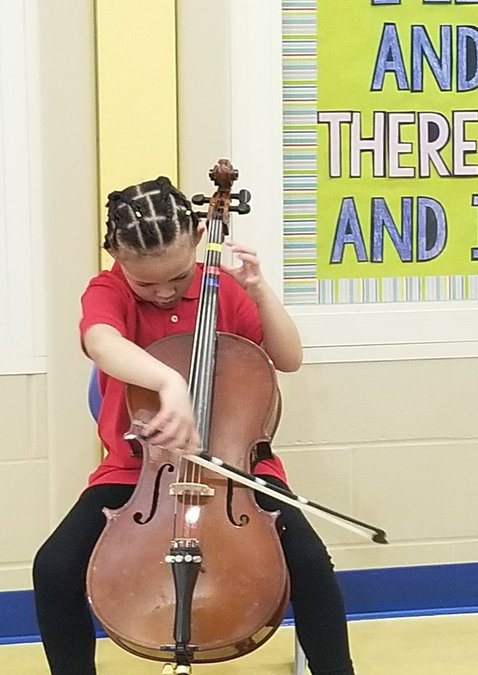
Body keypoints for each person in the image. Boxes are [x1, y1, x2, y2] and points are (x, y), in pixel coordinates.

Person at [32, 176, 356, 675]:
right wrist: (169, 382)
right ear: (116, 257)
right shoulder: (108, 291)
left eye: (178, 277)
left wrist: (258, 290)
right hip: (138, 473)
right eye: (146, 283)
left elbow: (288, 358)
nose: (163, 292)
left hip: (236, 471)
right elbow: (101, 342)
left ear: (200, 239)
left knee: (310, 562)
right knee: (53, 567)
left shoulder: (222, 289)